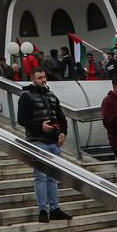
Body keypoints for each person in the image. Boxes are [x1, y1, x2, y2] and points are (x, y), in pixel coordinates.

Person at [17, 68, 71, 223]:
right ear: (32, 79)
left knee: (53, 177)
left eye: (44, 77)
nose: (43, 80)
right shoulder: (26, 96)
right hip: (37, 141)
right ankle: (42, 209)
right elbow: (22, 119)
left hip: (54, 142)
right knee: (40, 176)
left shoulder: (52, 95)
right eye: (39, 77)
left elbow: (62, 118)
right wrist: (40, 126)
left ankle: (54, 208)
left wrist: (63, 133)